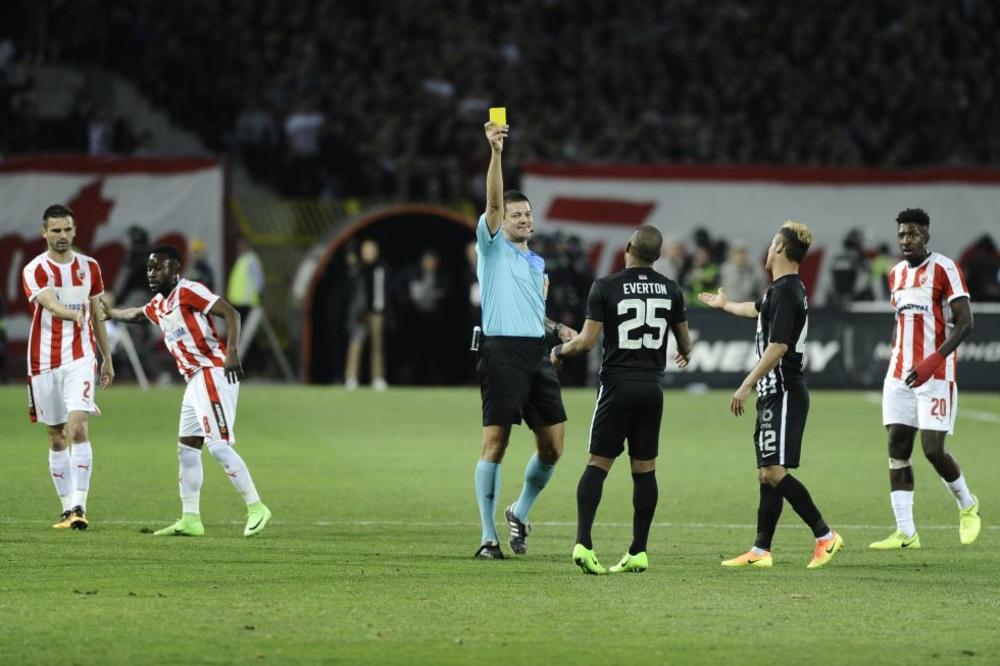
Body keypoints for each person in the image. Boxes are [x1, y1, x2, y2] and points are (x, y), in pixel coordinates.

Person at [699, 221, 843, 569]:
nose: (767, 248)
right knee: (766, 472)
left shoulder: (788, 292)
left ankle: (826, 536)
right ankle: (761, 551)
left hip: (783, 390)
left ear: (779, 248)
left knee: (775, 471)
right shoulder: (780, 290)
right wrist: (725, 304)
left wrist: (746, 384)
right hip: (773, 392)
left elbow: (778, 345)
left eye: (771, 243)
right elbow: (756, 309)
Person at [101, 245, 271, 538]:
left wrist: (231, 352)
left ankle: (256, 507)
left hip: (212, 371)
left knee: (218, 446)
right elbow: (140, 314)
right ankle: (191, 519)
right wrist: (111, 312)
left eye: (160, 267)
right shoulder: (159, 304)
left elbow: (230, 313)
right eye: (150, 268)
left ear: (176, 269)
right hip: (194, 381)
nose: (153, 273)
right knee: (187, 450)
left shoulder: (189, 290)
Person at [551, 225, 692, 574]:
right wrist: (684, 353)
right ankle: (639, 550)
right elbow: (685, 343)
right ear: (657, 256)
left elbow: (585, 342)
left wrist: (559, 349)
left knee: (597, 465)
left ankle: (583, 543)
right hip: (651, 388)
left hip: (616, 385)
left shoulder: (606, 286)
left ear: (628, 246)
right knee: (644, 469)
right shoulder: (671, 289)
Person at [473, 118, 577, 559]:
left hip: (537, 352)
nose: (524, 219)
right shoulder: (492, 245)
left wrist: (556, 329)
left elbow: (534, 311)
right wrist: (496, 152)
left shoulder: (536, 263)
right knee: (495, 443)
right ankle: (487, 537)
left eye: (529, 213)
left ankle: (520, 509)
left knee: (553, 447)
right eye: (517, 214)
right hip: (500, 351)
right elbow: (494, 199)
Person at [870, 208, 980, 550]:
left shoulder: (945, 268)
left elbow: (965, 322)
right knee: (897, 449)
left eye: (913, 234)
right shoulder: (896, 274)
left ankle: (967, 504)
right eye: (902, 234)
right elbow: (901, 321)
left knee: (933, 450)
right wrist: (896, 354)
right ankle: (906, 531)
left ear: (926, 236)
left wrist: (933, 361)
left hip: (936, 374)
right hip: (900, 374)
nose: (906, 240)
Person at [21, 204, 114, 529]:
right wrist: (71, 313)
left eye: (68, 229)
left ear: (75, 231)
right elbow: (48, 302)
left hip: (81, 356)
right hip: (43, 360)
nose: (62, 236)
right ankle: (66, 509)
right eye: (56, 230)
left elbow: (98, 314)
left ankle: (79, 507)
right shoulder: (35, 268)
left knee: (78, 428)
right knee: (56, 437)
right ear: (44, 232)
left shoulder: (90, 267)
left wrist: (106, 357)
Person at [344, 239, 389, 390]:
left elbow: (386, 292)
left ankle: (377, 377)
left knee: (377, 346)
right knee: (356, 343)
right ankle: (351, 377)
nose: (368, 254)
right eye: (366, 251)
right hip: (360, 313)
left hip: (377, 312)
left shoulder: (382, 268)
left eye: (371, 251)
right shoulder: (358, 269)